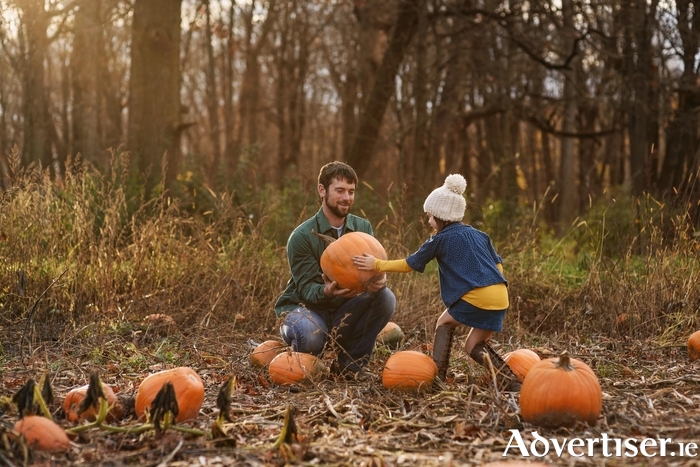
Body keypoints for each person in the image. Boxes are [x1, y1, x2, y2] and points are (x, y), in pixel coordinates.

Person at [352, 174, 521, 391]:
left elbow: (409, 264)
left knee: (443, 323)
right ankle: (512, 382)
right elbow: (498, 267)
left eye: (430, 216)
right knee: (474, 346)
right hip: (500, 297)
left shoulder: (439, 240)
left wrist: (376, 264)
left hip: (477, 297)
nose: (429, 221)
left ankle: (437, 378)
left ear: (441, 216)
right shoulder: (480, 235)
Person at [274, 161, 396, 379]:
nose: (346, 198)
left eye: (351, 192)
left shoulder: (363, 228)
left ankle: (350, 367)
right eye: (339, 190)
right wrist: (326, 291)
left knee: (385, 297)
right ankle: (310, 357)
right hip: (307, 309)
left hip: (345, 310)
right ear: (322, 190)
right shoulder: (301, 237)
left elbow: (370, 269)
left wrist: (379, 278)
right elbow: (306, 288)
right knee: (310, 337)